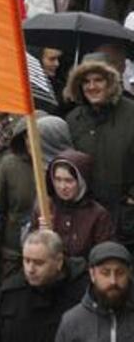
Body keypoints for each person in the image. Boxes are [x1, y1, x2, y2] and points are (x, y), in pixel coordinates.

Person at [64, 58, 134, 244]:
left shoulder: (131, 113)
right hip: (85, 217)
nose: (91, 86)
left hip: (125, 218)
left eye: (98, 80)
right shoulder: (73, 119)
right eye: (86, 81)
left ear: (111, 82)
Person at [0, 230, 87, 341]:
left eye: (39, 263)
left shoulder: (81, 293)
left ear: (58, 262)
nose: (30, 269)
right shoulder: (8, 292)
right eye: (27, 261)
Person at [32, 150, 113, 259]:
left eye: (69, 181)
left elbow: (103, 257)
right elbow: (29, 249)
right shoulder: (44, 207)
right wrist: (39, 235)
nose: (62, 186)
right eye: (58, 179)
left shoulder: (98, 215)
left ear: (82, 182)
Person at [55, 241, 134, 340]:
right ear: (92, 275)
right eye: (105, 273)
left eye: (120, 273)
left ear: (129, 274)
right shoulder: (72, 322)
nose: (113, 281)